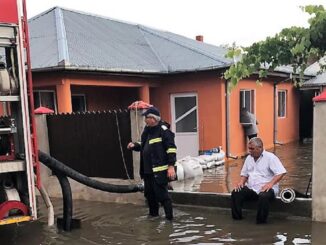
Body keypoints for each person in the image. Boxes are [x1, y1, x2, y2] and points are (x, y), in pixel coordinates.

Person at [127, 106, 177, 220]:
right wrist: (134, 145)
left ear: (153, 119)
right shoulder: (147, 130)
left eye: (147, 117)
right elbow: (143, 144)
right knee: (150, 195)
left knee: (162, 195)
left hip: (159, 171)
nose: (145, 120)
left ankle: (170, 219)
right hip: (147, 171)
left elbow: (171, 149)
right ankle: (153, 216)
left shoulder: (164, 131)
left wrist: (171, 167)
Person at [231, 137, 287, 224]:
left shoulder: (270, 158)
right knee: (236, 192)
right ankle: (237, 219)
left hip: (267, 189)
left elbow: (281, 172)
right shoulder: (249, 158)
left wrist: (270, 184)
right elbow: (244, 174)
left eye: (252, 149)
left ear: (260, 148)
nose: (249, 151)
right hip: (252, 189)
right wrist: (241, 182)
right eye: (249, 148)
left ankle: (261, 223)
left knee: (263, 196)